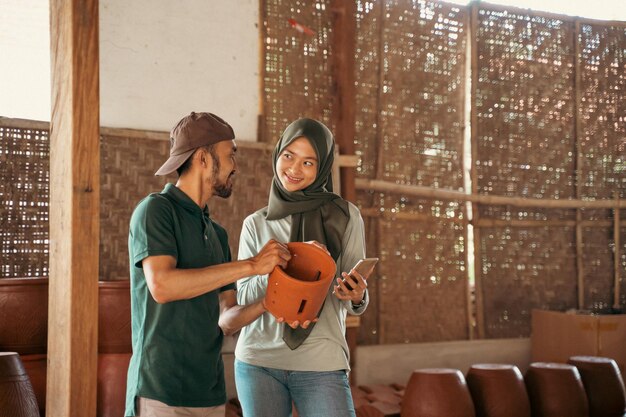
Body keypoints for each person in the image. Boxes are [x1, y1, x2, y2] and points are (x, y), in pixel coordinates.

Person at [124, 111, 291, 417]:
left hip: (211, 394)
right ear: (203, 158)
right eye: (230, 156)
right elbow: (162, 286)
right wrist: (252, 265)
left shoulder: (217, 234)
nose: (235, 167)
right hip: (160, 391)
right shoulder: (155, 211)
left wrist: (270, 301)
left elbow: (226, 319)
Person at [226, 118, 371, 417]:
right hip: (258, 362)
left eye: (308, 162)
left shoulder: (346, 217)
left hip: (321, 362)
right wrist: (286, 262)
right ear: (277, 154)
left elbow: (351, 295)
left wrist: (357, 296)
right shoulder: (256, 224)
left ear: (323, 168)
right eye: (288, 156)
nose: (293, 169)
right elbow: (245, 297)